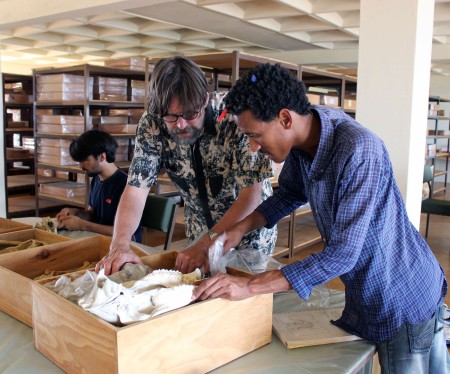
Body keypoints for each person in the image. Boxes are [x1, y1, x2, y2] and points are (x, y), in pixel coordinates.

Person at [193, 63, 450, 373]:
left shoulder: (358, 150)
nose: (253, 146)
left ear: (285, 118)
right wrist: (238, 229)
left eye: (255, 135)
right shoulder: (306, 138)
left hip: (401, 293)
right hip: (368, 294)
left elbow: (342, 255)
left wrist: (249, 287)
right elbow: (289, 194)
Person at [96, 55, 277, 275]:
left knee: (242, 298)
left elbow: (250, 196)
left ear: (205, 99)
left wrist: (209, 242)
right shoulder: (152, 123)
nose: (181, 124)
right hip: (199, 227)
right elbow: (136, 188)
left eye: (190, 114)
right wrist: (120, 245)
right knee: (199, 293)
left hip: (246, 229)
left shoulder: (234, 118)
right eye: (171, 117)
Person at [56, 129, 142, 243]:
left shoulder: (127, 186)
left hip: (124, 248)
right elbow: (93, 215)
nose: (80, 166)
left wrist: (82, 225)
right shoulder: (96, 179)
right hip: (101, 241)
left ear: (102, 157)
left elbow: (126, 234)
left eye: (85, 160)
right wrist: (76, 213)